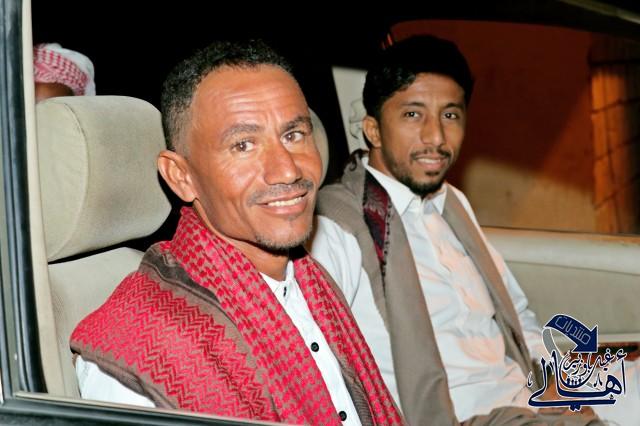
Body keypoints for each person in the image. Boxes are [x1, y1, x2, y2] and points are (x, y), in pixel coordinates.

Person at [70, 40, 402, 425]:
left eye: (294, 135)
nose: (287, 170)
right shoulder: (140, 353)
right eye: (243, 145)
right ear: (182, 177)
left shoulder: (315, 284)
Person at [310, 35, 607, 425]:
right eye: (413, 114)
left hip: (531, 396)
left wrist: (555, 382)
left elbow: (517, 316)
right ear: (374, 130)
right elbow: (319, 367)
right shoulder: (337, 227)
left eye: (450, 115)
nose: (436, 136)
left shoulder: (451, 203)